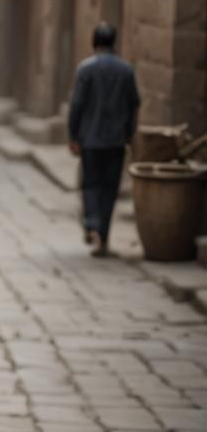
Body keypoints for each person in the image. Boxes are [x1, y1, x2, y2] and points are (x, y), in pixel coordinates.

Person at [68, 22, 140, 257]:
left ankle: (93, 225)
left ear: (94, 42)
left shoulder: (86, 69)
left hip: (90, 140)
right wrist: (129, 134)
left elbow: (77, 105)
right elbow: (133, 104)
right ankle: (104, 236)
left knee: (90, 184)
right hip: (116, 141)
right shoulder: (126, 70)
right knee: (110, 188)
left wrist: (73, 134)